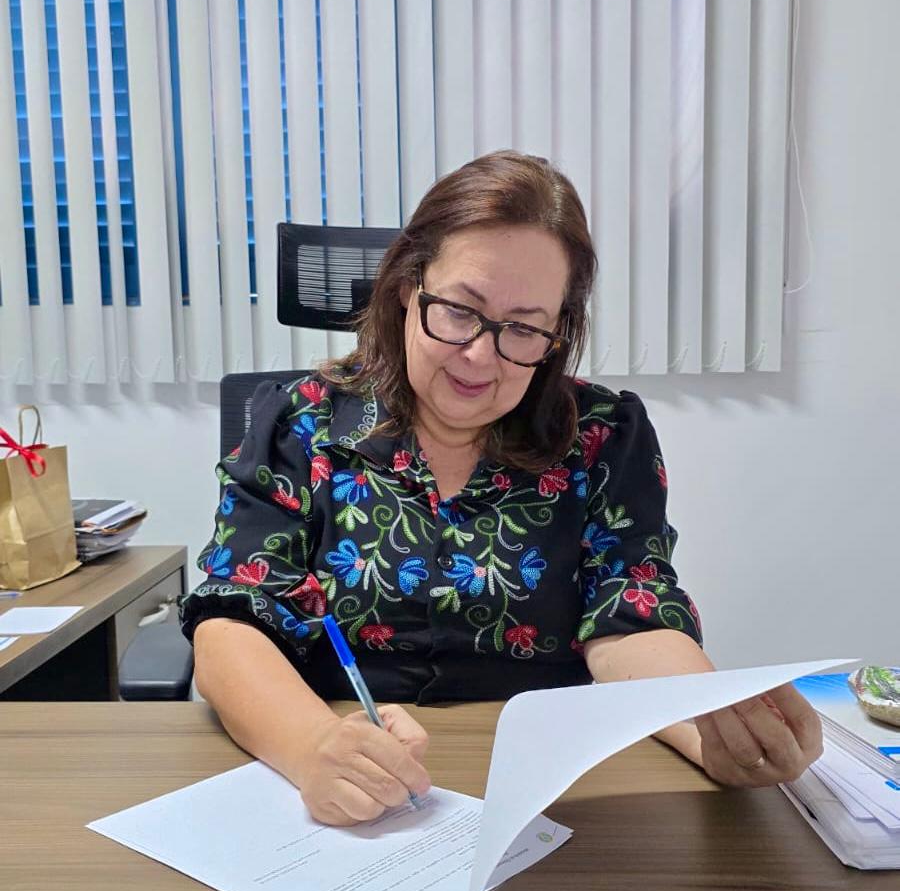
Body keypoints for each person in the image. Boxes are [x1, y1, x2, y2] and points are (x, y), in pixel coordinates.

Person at [180, 150, 822, 826]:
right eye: (460, 310)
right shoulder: (301, 422)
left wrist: (706, 725)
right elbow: (231, 623)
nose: (480, 356)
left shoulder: (603, 435)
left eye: (522, 327)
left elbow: (631, 616)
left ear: (557, 333)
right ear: (406, 289)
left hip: (546, 793)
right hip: (344, 781)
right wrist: (313, 747)